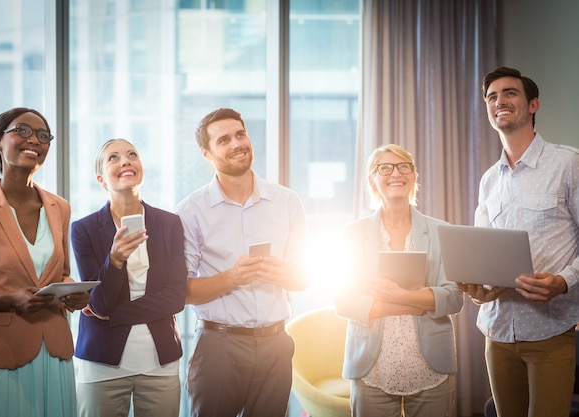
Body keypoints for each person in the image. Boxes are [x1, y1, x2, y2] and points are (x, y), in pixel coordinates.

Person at [0, 107, 89, 416]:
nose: (34, 140)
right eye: (23, 131)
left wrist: (73, 294)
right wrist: (7, 300)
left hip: (55, 352)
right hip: (3, 353)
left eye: (43, 136)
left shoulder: (60, 208)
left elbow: (61, 274)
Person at [459, 66, 579, 417]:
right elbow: (480, 250)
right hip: (496, 333)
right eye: (492, 97)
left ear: (533, 105)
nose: (500, 101)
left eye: (510, 93)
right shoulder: (488, 181)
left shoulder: (568, 164)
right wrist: (476, 286)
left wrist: (563, 281)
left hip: (549, 333)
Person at [176, 108, 308, 417]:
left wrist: (284, 275)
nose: (237, 143)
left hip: (276, 344)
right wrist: (232, 278)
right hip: (218, 346)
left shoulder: (287, 201)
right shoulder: (191, 211)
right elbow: (180, 291)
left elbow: (304, 278)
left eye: (240, 134)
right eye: (224, 140)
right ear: (207, 153)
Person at [334, 144, 463, 417]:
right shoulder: (353, 234)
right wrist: (419, 302)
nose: (396, 173)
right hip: (372, 369)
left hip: (430, 369)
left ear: (414, 176)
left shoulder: (442, 231)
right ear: (372, 180)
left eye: (404, 166)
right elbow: (344, 301)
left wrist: (395, 295)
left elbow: (453, 297)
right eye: (385, 167)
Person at [71, 138, 187, 417]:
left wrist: (116, 316)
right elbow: (98, 303)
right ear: (101, 178)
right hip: (101, 366)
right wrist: (115, 260)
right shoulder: (83, 229)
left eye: (132, 154)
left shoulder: (170, 223)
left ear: (141, 168)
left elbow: (176, 297)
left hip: (160, 363)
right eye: (113, 157)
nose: (125, 160)